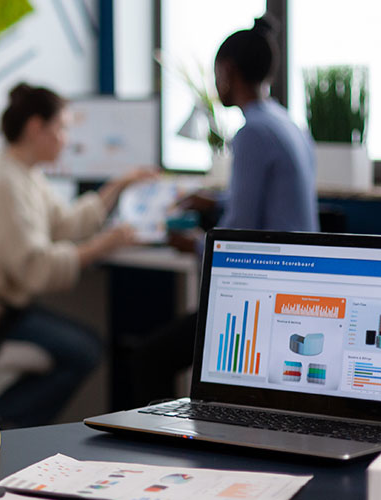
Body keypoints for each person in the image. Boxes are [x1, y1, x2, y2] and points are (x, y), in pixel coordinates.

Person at [116, 17, 319, 409]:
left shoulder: (251, 134)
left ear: (227, 72)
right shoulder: (285, 122)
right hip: (297, 283)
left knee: (148, 358)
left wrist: (187, 242)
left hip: (266, 293)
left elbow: (236, 241)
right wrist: (216, 202)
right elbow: (271, 206)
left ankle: (161, 448)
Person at [0, 84, 157, 428]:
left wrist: (119, 185)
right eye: (62, 128)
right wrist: (102, 246)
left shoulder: (25, 175)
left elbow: (65, 223)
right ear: (36, 127)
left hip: (2, 304)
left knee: (83, 346)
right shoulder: (4, 183)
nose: (67, 139)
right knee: (84, 351)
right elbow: (35, 269)